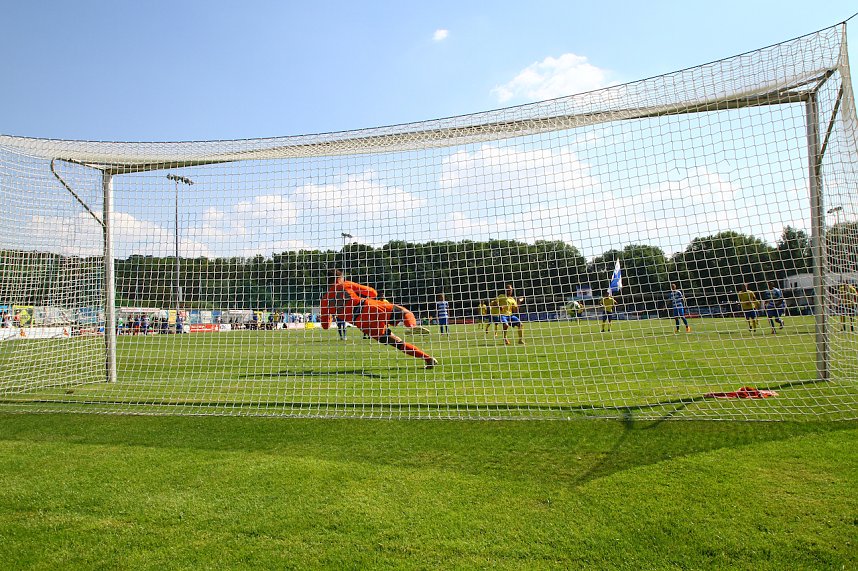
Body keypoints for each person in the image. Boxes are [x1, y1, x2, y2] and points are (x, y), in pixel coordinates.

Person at [320, 269, 437, 368]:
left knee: (396, 342)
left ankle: (427, 359)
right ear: (339, 278)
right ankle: (412, 326)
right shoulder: (344, 284)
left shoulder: (325, 301)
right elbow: (372, 292)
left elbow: (325, 326)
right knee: (405, 312)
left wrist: (331, 315)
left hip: (362, 323)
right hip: (370, 308)